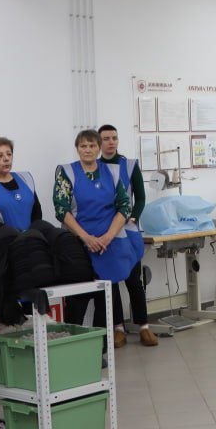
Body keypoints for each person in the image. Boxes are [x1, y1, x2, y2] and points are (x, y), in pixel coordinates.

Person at [55, 129, 144, 331]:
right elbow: (61, 210)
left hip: (108, 245)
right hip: (79, 246)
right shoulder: (66, 173)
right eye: (83, 146)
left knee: (106, 297)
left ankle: (102, 344)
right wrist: (87, 238)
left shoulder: (111, 172)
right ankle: (73, 340)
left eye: (92, 145)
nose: (88, 150)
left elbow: (124, 206)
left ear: (98, 148)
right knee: (78, 299)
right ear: (77, 148)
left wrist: (107, 237)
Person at [98, 124, 157, 348]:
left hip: (129, 232)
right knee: (111, 281)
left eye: (114, 138)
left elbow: (140, 198)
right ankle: (118, 328)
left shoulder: (130, 165)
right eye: (106, 138)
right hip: (106, 233)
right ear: (99, 142)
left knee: (134, 280)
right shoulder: (94, 168)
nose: (111, 142)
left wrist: (132, 218)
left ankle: (143, 326)